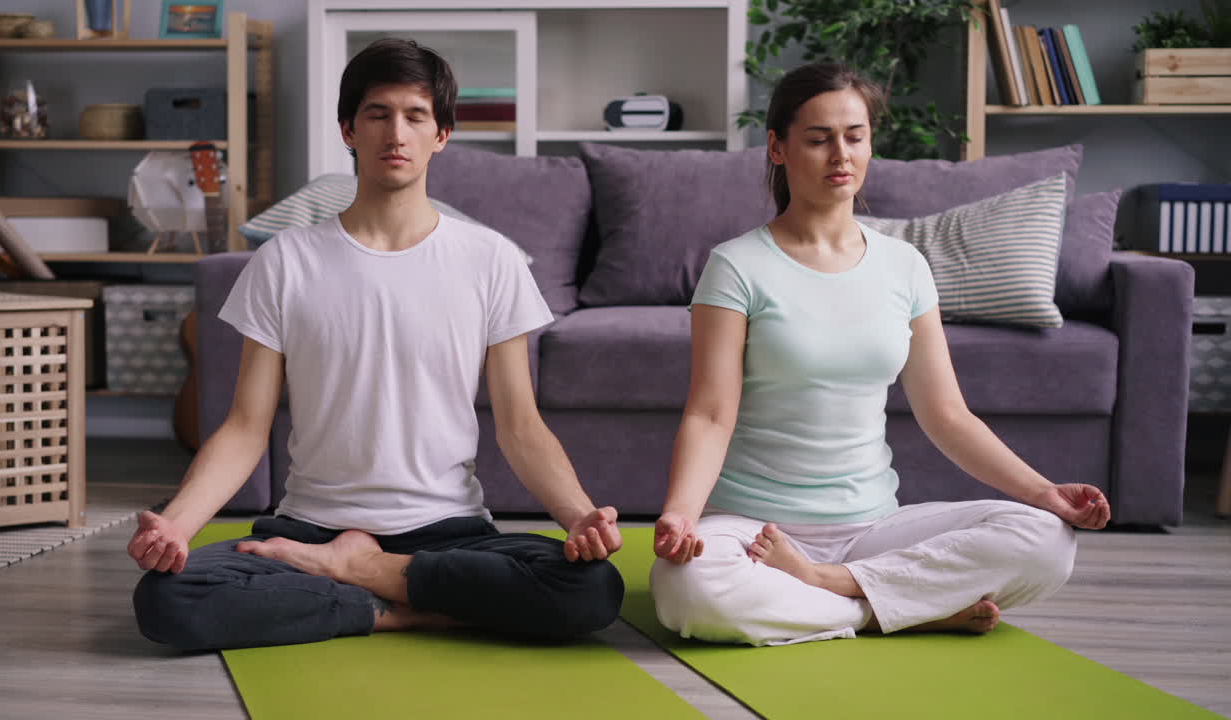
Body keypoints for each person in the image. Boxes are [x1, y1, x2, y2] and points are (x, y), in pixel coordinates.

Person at [128, 38, 624, 651]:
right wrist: (176, 526)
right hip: (309, 530)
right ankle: (413, 605)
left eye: (416, 116)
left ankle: (362, 578)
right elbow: (244, 429)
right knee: (166, 599)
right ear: (348, 130)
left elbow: (521, 427)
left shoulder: (491, 259)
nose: (397, 132)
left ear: (441, 134)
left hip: (450, 532)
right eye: (377, 114)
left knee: (593, 587)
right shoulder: (285, 261)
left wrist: (579, 519)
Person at [649, 63, 1110, 646]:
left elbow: (947, 416)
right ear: (778, 148)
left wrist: (1044, 493)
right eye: (818, 139)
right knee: (687, 589)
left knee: (1046, 541)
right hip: (753, 527)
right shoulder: (737, 265)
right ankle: (888, 608)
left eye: (855, 136)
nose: (840, 154)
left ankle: (828, 585)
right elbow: (710, 414)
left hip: (871, 528)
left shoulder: (905, 266)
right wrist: (682, 515)